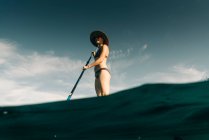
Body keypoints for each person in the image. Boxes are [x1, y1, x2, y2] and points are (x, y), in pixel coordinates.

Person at [83, 31, 111, 96]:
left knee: (105, 95)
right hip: (96, 74)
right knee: (99, 97)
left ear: (102, 39)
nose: (96, 38)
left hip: (103, 71)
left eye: (98, 37)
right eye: (95, 38)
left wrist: (88, 66)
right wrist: (94, 55)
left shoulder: (105, 46)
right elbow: (97, 59)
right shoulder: (98, 50)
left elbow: (101, 59)